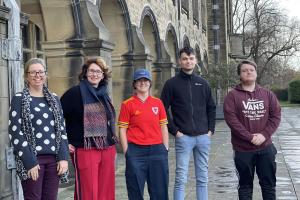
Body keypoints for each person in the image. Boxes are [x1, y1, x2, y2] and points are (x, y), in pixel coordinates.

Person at [8, 58, 69, 200]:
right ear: (26, 76)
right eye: (33, 72)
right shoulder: (19, 98)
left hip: (54, 161)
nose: (37, 75)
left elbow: (61, 130)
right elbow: (15, 133)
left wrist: (63, 158)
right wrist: (30, 162)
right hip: (33, 160)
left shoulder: (54, 98)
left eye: (41, 72)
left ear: (45, 75)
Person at [160, 47, 216, 200]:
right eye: (185, 59)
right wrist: (175, 131)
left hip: (203, 137)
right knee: (180, 178)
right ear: (180, 61)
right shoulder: (171, 84)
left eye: (191, 58)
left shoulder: (203, 83)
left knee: (203, 178)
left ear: (195, 61)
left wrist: (210, 130)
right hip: (183, 138)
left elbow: (211, 107)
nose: (188, 61)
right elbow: (162, 109)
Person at [61, 57, 118, 200]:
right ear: (85, 73)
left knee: (106, 192)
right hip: (85, 149)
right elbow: (57, 119)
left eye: (99, 71)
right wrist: (64, 141)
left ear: (103, 75)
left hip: (107, 147)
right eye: (92, 70)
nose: (95, 74)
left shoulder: (104, 94)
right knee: (88, 192)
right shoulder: (73, 94)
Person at [223, 60, 281, 200]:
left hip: (266, 148)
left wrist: (264, 135)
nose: (248, 72)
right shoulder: (232, 96)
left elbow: (276, 116)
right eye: (244, 70)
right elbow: (232, 120)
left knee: (269, 185)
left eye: (251, 70)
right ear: (240, 75)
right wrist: (250, 137)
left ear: (256, 73)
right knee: (245, 187)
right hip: (243, 150)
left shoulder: (268, 94)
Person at [118, 68, 169, 200]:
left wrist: (165, 148)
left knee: (160, 191)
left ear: (150, 83)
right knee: (135, 190)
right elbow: (122, 129)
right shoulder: (127, 104)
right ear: (134, 84)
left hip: (157, 150)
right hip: (135, 151)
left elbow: (163, 126)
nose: (143, 83)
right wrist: (127, 151)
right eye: (139, 80)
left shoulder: (158, 103)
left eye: (146, 80)